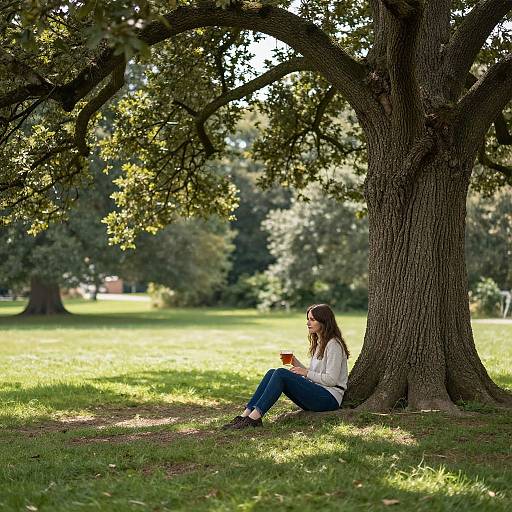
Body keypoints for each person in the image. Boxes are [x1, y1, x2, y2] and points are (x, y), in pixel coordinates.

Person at [222, 303, 350, 430]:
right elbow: (315, 374)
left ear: (323, 322)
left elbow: (331, 380)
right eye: (308, 319)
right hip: (318, 393)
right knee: (273, 372)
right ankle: (245, 416)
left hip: (329, 399)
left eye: (312, 319)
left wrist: (304, 372)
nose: (308, 323)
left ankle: (254, 419)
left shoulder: (334, 345)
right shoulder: (320, 343)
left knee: (281, 373)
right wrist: (296, 363)